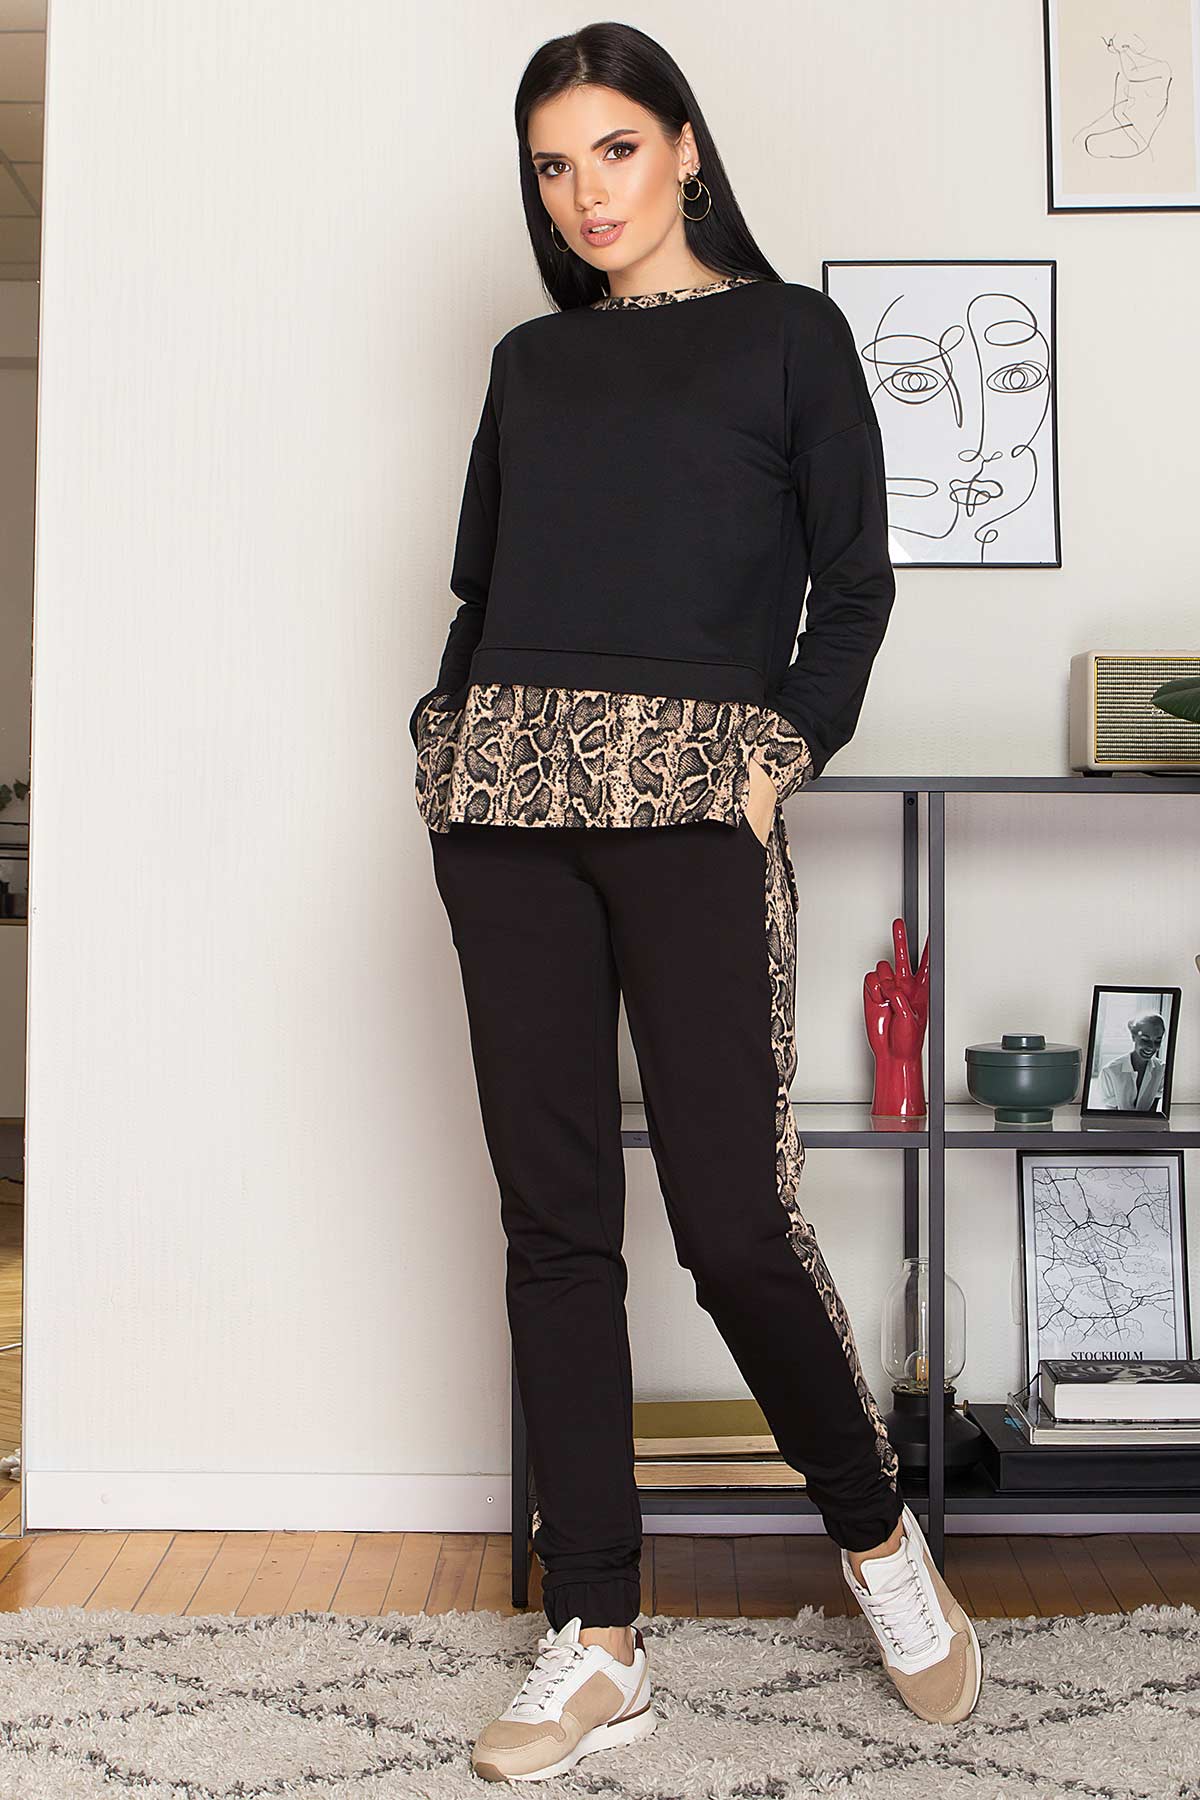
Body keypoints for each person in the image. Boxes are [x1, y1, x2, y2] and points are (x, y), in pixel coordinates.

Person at [410, 21, 983, 1780]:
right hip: (507, 805)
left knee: (733, 1221)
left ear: (686, 150)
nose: (584, 194)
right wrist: (443, 740)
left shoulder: (792, 338)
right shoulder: (529, 363)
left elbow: (855, 587)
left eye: (614, 150)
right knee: (555, 1222)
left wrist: (780, 749)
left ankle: (876, 1534)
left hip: (689, 807)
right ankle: (598, 1640)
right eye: (551, 166)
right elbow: (482, 591)